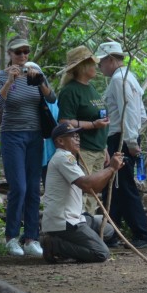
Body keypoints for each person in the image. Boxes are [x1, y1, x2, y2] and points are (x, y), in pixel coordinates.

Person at [0, 37, 56, 257]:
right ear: (9, 53)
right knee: (18, 187)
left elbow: (52, 98)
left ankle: (31, 238)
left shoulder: (36, 73)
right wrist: (10, 81)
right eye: (18, 52)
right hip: (12, 136)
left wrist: (40, 82)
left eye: (26, 52)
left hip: (35, 136)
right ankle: (10, 237)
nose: (23, 56)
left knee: (32, 187)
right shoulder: (1, 77)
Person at [97, 41, 147, 248]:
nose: (99, 67)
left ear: (111, 60)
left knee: (124, 186)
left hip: (121, 137)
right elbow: (139, 111)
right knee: (115, 186)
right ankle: (111, 232)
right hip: (123, 136)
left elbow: (128, 112)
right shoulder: (128, 78)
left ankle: (143, 234)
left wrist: (130, 140)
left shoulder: (119, 80)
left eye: (101, 62)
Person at [40, 124, 124, 263]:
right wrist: (110, 169)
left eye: (78, 136)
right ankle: (54, 245)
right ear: (60, 141)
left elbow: (94, 189)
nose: (78, 139)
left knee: (108, 229)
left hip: (74, 217)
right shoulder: (63, 158)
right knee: (101, 253)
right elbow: (86, 184)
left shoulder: (68, 158)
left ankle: (66, 245)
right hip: (64, 221)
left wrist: (112, 170)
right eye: (73, 136)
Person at [57, 45, 111, 217]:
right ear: (82, 67)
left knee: (94, 195)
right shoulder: (70, 91)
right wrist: (93, 125)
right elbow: (65, 122)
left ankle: (89, 228)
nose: (96, 67)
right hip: (83, 149)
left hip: (98, 148)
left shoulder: (92, 89)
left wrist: (104, 147)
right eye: (92, 64)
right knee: (83, 192)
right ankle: (80, 228)